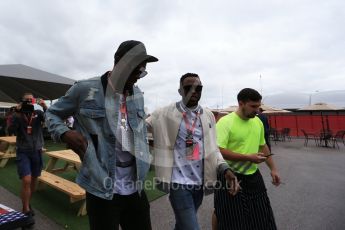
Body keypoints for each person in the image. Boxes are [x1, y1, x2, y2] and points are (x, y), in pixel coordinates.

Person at [45, 40, 158, 230]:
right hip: (100, 186)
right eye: (136, 71)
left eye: (142, 72)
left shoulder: (137, 93)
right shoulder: (84, 89)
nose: (139, 77)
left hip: (135, 186)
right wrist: (65, 133)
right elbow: (52, 113)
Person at [146, 73, 240, 230]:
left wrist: (225, 168)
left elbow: (213, 147)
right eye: (188, 87)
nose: (194, 91)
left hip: (199, 183)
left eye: (198, 88)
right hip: (178, 183)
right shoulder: (164, 112)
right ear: (180, 90)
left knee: (182, 225)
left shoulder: (208, 115)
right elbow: (139, 128)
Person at [213, 88, 281, 230]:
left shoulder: (257, 122)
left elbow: (263, 146)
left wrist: (273, 169)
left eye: (258, 106)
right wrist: (247, 157)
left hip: (253, 176)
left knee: (262, 215)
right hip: (230, 175)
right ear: (241, 103)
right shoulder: (225, 122)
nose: (257, 110)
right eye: (253, 106)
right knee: (228, 217)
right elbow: (218, 151)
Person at [13, 93, 47, 226]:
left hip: (36, 151)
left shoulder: (38, 113)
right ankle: (26, 209)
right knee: (26, 180)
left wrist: (44, 107)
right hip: (23, 151)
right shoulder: (18, 115)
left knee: (33, 180)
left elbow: (49, 119)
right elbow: (11, 129)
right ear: (21, 101)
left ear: (33, 101)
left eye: (30, 100)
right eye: (26, 100)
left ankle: (27, 203)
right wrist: (16, 113)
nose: (28, 102)